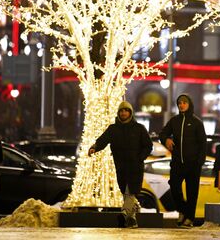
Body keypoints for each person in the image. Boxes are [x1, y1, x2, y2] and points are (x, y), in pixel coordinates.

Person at [88, 101, 152, 228]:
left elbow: (148, 145)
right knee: (126, 192)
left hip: (135, 167)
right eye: (121, 111)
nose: (123, 113)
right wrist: (94, 147)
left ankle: (125, 213)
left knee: (130, 191)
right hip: (121, 167)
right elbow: (103, 140)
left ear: (130, 113)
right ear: (118, 113)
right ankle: (131, 218)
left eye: (126, 110)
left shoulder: (139, 128)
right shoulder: (113, 129)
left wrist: (140, 158)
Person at [159, 94, 206, 228]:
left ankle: (189, 219)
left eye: (184, 102)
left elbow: (203, 144)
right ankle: (183, 211)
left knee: (192, 192)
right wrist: (166, 139)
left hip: (193, 164)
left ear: (189, 104)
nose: (182, 105)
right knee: (174, 187)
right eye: (179, 103)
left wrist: (199, 162)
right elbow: (162, 134)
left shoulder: (197, 122)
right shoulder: (174, 121)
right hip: (177, 163)